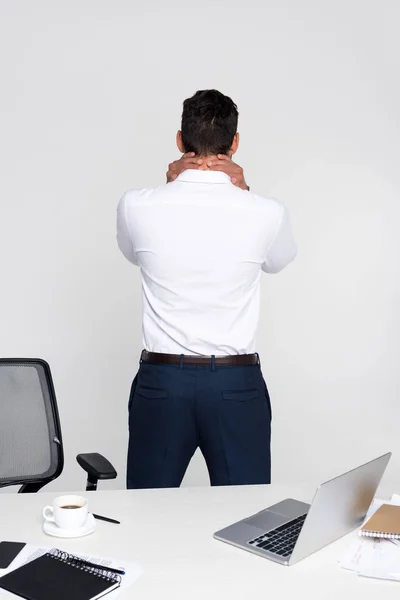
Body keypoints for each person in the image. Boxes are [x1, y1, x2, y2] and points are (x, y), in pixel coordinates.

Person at [117, 89, 297, 489]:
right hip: (236, 384)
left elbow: (134, 255)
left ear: (180, 141)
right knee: (246, 517)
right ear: (235, 143)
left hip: (162, 383)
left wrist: (167, 188)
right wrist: (245, 193)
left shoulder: (135, 205)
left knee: (147, 515)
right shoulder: (266, 212)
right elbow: (279, 261)